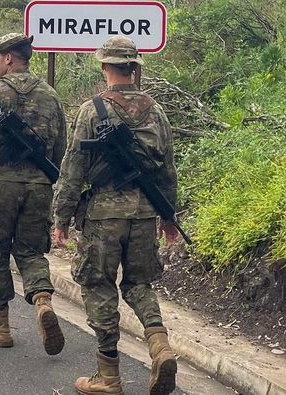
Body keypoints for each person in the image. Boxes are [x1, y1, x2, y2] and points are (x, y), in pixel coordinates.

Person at [52, 36, 181, 395]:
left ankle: (108, 376)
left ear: (104, 67)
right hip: (143, 216)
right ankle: (160, 347)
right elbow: (167, 169)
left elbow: (73, 168)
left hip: (103, 217)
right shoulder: (156, 111)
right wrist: (168, 217)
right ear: (134, 67)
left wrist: (60, 217)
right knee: (139, 285)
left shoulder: (92, 111)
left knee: (98, 285)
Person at [0, 33, 67, 355]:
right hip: (38, 187)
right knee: (31, 252)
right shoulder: (50, 96)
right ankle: (42, 302)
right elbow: (60, 146)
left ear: (9, 58)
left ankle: (0, 327)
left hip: (0, 185)